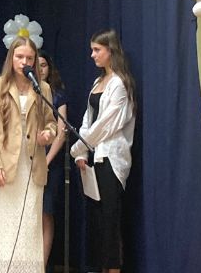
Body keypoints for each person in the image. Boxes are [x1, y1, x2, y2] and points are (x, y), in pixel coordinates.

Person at [0, 36, 57, 273]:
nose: (24, 62)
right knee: (4, 225)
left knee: (29, 226)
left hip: (32, 167)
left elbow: (52, 123)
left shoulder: (42, 88)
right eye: (20, 57)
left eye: (29, 58)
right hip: (4, 165)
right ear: (11, 58)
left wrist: (48, 134)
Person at [70, 29, 136, 273]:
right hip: (93, 156)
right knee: (96, 221)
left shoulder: (119, 84)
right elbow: (88, 120)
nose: (92, 55)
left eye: (97, 50)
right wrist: (81, 154)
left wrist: (78, 146)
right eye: (92, 50)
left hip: (111, 160)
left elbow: (105, 126)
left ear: (111, 50)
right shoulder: (98, 83)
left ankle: (113, 269)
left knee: (109, 219)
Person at [38, 53, 68, 273]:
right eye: (36, 65)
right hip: (28, 161)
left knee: (46, 214)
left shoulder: (57, 94)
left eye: (44, 65)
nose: (40, 69)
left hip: (51, 162)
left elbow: (61, 132)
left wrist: (47, 161)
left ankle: (42, 265)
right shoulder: (25, 92)